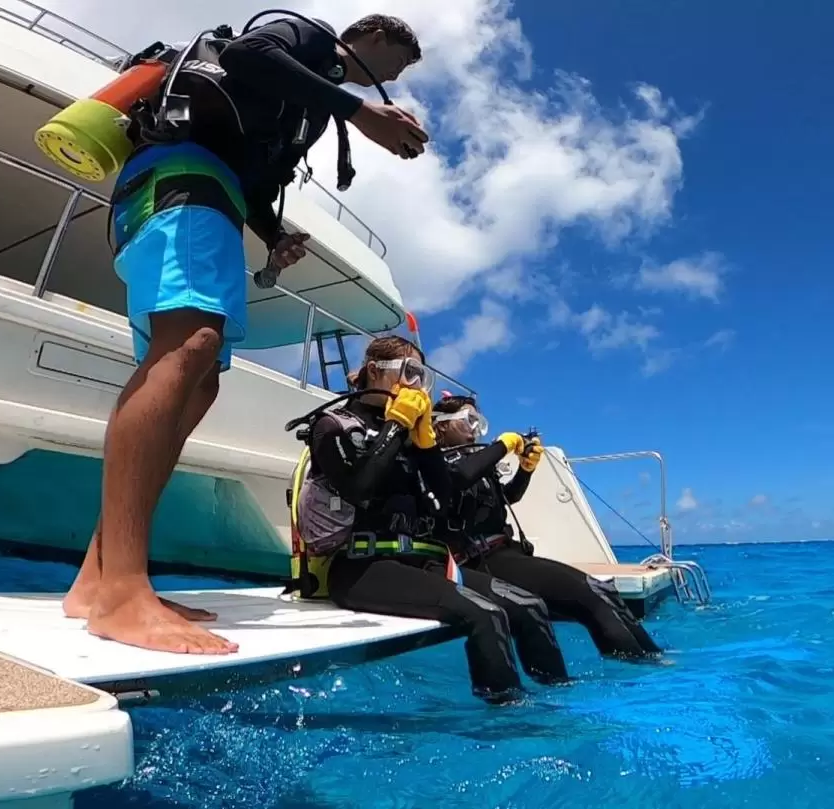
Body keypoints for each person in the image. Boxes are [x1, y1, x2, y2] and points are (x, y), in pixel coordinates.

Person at [63, 14, 429, 654]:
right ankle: (122, 592)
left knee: (200, 381)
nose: (391, 82)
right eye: (392, 66)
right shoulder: (305, 39)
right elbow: (251, 57)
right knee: (189, 347)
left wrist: (274, 235)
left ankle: (98, 579)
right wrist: (361, 112)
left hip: (212, 199)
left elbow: (253, 176)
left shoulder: (307, 108)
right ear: (370, 38)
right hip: (179, 183)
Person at [289, 335, 570, 704]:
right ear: (375, 371)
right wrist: (396, 426)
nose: (416, 385)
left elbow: (445, 495)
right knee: (486, 615)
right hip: (364, 565)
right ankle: (509, 720)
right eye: (409, 373)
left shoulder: (411, 432)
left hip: (424, 561)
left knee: (530, 605)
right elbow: (359, 488)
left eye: (422, 376)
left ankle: (558, 703)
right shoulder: (334, 425)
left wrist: (424, 444)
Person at [431, 393, 665, 661]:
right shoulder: (438, 464)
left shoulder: (477, 463)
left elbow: (507, 498)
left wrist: (525, 471)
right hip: (478, 560)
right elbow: (458, 479)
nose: (474, 430)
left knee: (602, 589)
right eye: (467, 420)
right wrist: (500, 448)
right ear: (442, 425)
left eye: (478, 422)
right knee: (587, 593)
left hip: (506, 552)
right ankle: (641, 671)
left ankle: (653, 658)